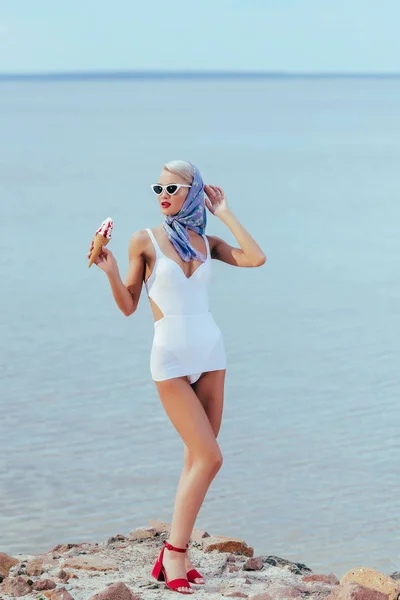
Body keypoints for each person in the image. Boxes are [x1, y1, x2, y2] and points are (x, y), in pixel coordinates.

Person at [88, 160, 266, 594]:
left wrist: (223, 212)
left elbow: (256, 258)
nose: (162, 194)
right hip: (169, 357)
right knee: (210, 458)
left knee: (195, 459)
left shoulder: (207, 240)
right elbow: (130, 305)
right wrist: (112, 272)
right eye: (157, 188)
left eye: (172, 188)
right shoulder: (143, 240)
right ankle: (175, 551)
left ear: (193, 191)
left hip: (211, 353)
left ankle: (173, 555)